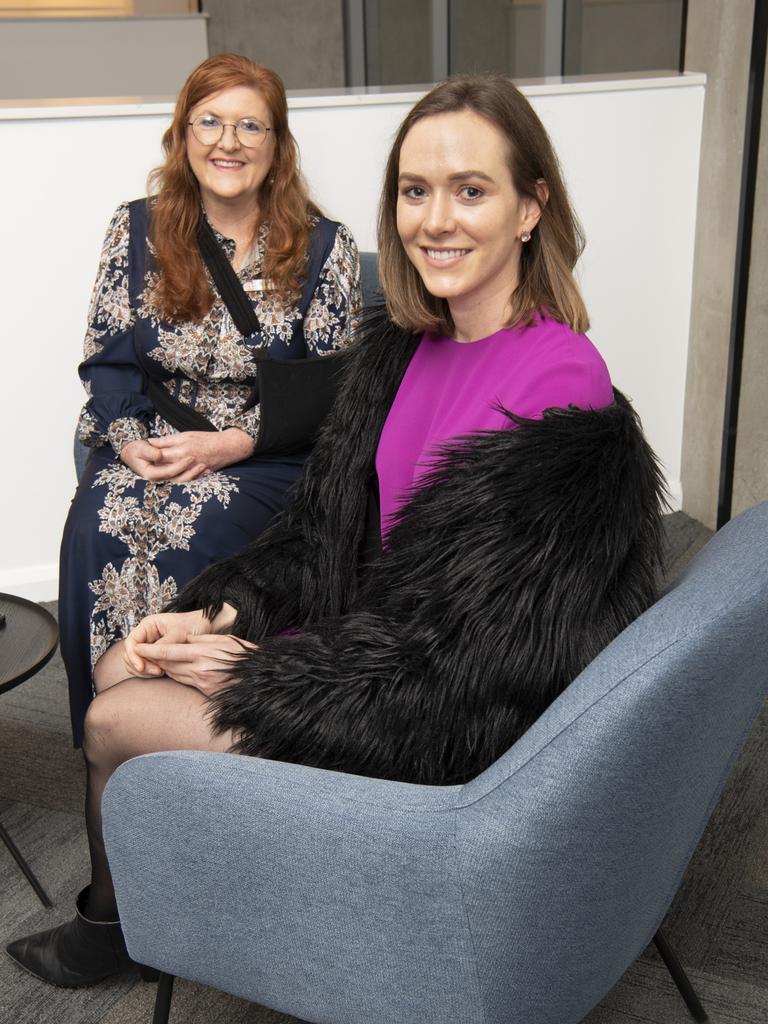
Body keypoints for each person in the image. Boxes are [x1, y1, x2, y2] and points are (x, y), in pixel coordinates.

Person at [7, 74, 664, 987]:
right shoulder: (408, 345)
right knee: (127, 657)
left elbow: (476, 663)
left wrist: (259, 673)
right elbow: (323, 535)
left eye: (471, 190)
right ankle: (158, 906)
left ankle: (121, 926)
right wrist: (225, 618)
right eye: (415, 190)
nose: (436, 219)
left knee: (115, 718)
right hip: (373, 651)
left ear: (530, 209)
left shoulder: (559, 386)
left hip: (439, 721)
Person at [59, 54, 362, 748]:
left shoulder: (325, 249)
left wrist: (229, 443)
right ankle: (117, 713)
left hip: (264, 452)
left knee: (198, 521)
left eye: (250, 126)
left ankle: (175, 722)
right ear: (182, 135)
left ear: (278, 146)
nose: (228, 142)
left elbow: (331, 389)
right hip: (154, 441)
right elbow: (108, 358)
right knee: (100, 517)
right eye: (211, 121)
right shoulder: (134, 230)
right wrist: (131, 439)